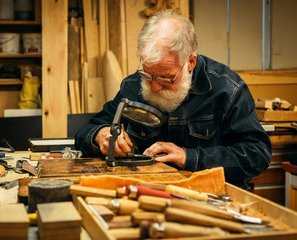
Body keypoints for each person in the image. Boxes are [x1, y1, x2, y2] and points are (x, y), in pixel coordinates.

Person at [75, 10, 272, 190]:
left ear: (190, 62)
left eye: (165, 78)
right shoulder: (134, 86)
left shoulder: (227, 89)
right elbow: (85, 132)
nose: (153, 86)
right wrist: (100, 135)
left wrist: (189, 157)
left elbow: (257, 154)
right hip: (150, 194)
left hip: (210, 197)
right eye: (148, 73)